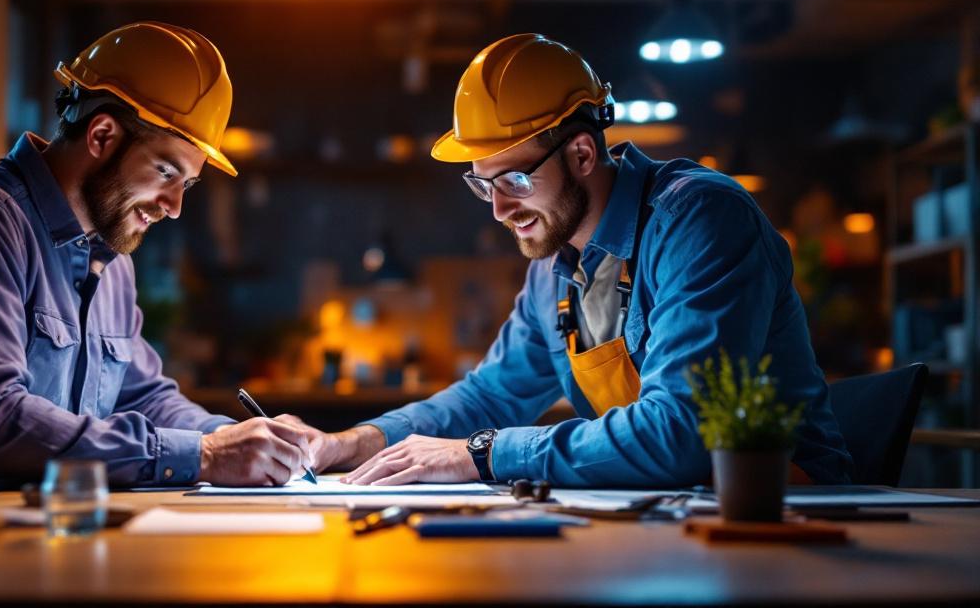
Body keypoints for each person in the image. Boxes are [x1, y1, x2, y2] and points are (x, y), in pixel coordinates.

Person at [298, 34, 853, 487]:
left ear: (582, 153)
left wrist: (485, 452)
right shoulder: (553, 269)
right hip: (667, 512)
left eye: (514, 180)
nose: (499, 210)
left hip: (793, 511)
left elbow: (681, 433)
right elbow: (490, 395)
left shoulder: (699, 220)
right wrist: (349, 443)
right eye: (484, 185)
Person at [0, 22, 313, 487]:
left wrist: (239, 438)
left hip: (46, 520)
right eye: (165, 172)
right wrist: (206, 454)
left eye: (187, 184)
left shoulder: (112, 260)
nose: (175, 207)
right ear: (101, 136)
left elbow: (143, 398)